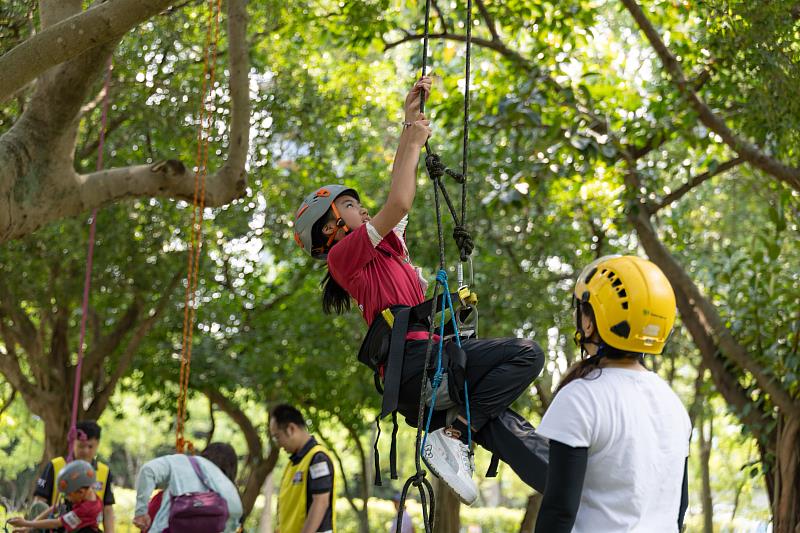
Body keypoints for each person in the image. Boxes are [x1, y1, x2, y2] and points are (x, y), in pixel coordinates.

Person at [292, 77, 549, 504]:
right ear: (331, 226)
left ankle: (558, 478)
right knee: (527, 354)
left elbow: (399, 185)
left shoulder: (390, 251)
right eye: (353, 206)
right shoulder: (344, 259)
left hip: (428, 364)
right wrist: (414, 139)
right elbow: (401, 200)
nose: (366, 209)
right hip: (416, 366)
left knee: (497, 416)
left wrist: (410, 120)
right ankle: (456, 434)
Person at [534, 255, 691, 532]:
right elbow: (679, 508)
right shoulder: (673, 403)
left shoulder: (581, 398)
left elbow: (560, 511)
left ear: (590, 323)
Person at [131, 443, 243, 533]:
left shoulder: (181, 462)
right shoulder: (229, 489)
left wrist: (141, 512)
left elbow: (148, 470)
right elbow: (234, 519)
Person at [33, 420, 115, 532]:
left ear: (97, 444)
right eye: (81, 446)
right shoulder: (56, 466)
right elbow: (39, 501)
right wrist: (31, 525)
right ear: (73, 443)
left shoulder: (104, 471)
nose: (85, 451)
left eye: (90, 446)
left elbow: (108, 509)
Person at [270, 404, 336, 533]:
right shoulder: (293, 464)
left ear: (291, 429)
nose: (277, 444)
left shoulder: (318, 459)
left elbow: (321, 503)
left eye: (277, 437)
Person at [9, 460, 103, 533]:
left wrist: (26, 523)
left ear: (81, 492)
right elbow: (56, 507)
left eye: (68, 494)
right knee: (38, 507)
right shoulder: (84, 493)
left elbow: (57, 523)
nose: (67, 498)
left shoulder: (86, 509)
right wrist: (27, 527)